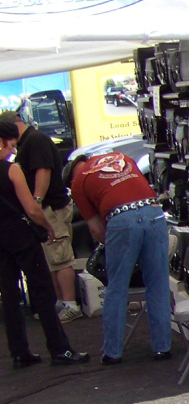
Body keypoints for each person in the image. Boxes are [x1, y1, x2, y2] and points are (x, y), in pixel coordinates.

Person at [0, 118, 89, 368]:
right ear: (5, 141)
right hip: (22, 237)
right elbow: (31, 208)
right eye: (10, 144)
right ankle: (59, 349)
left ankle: (19, 352)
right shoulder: (12, 170)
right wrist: (46, 226)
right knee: (42, 290)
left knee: (9, 295)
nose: (12, 149)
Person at [68, 151, 171, 364]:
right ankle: (162, 348)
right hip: (153, 211)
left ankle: (113, 353)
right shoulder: (120, 156)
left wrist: (115, 247)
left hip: (121, 219)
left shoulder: (78, 183)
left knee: (116, 288)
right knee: (158, 284)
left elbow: (96, 229)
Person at [8, 109, 80, 321]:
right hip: (46, 207)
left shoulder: (35, 140)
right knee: (51, 258)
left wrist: (36, 201)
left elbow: (43, 170)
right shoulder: (28, 142)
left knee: (60, 256)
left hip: (51, 207)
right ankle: (59, 303)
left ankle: (70, 304)